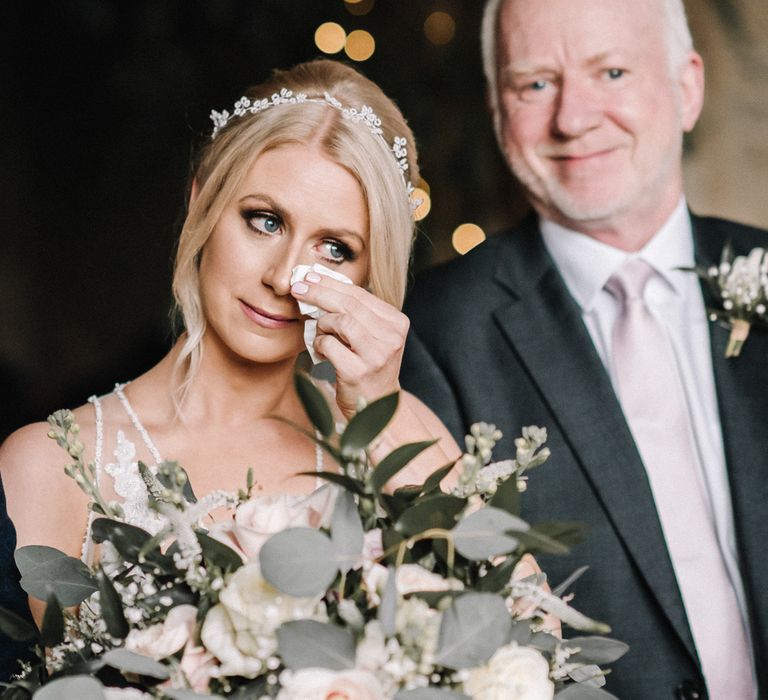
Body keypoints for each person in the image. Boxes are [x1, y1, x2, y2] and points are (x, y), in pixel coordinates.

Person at [0, 59, 461, 644]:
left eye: (335, 250)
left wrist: (379, 419)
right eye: (265, 221)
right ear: (202, 203)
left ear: (370, 275)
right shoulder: (49, 464)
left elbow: (533, 651)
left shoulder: (405, 434)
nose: (284, 276)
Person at [401, 0, 767, 698]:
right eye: (534, 84)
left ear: (687, 87)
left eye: (613, 71)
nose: (572, 118)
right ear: (498, 110)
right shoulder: (432, 338)